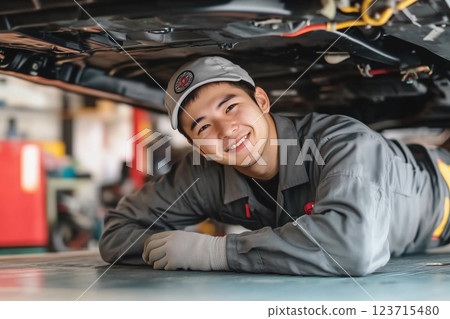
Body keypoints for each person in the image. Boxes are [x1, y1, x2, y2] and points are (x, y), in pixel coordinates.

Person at [99, 56, 450, 276]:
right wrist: (169, 249)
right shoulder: (204, 175)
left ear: (262, 100)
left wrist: (217, 252)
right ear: (197, 148)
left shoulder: (341, 142)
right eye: (203, 126)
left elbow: (353, 247)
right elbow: (117, 233)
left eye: (231, 106)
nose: (225, 130)